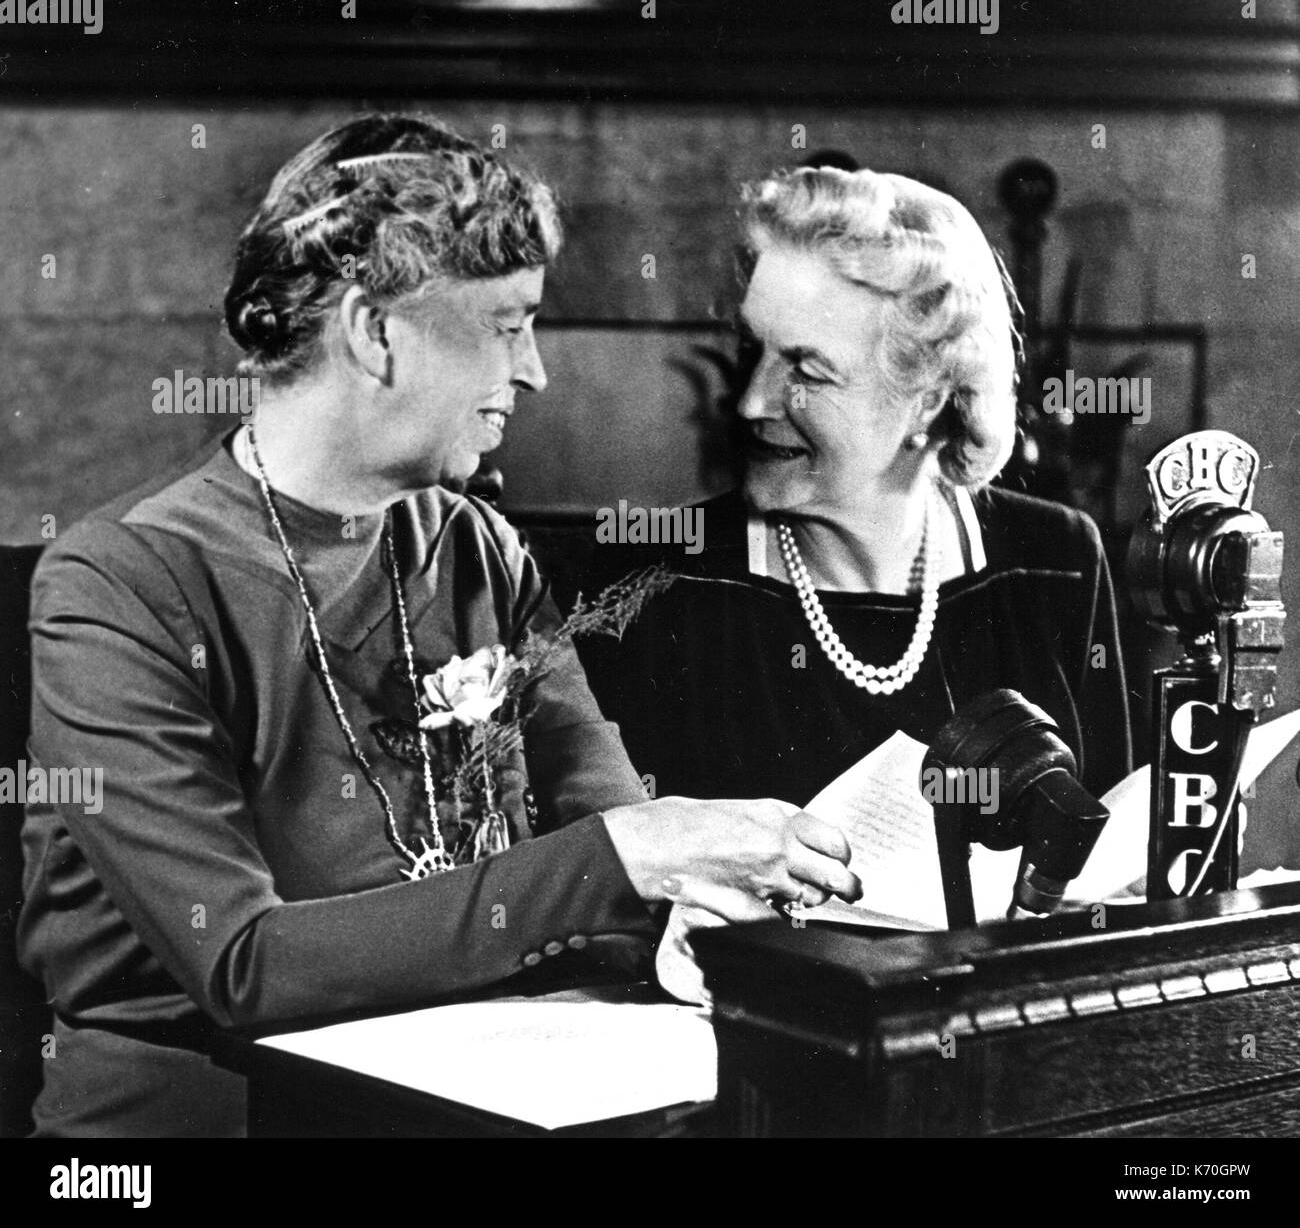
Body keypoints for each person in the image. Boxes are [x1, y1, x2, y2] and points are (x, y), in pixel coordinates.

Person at [18, 115, 861, 1137]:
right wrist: (627, 857)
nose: (537, 371)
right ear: (377, 332)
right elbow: (243, 962)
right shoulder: (123, 581)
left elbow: (599, 808)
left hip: (476, 1091)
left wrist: (685, 896)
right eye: (509, 324)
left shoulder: (479, 546)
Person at [574, 166, 1133, 821]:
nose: (753, 400)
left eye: (807, 371)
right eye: (753, 350)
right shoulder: (656, 586)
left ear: (927, 399)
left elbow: (1104, 859)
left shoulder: (1053, 561)